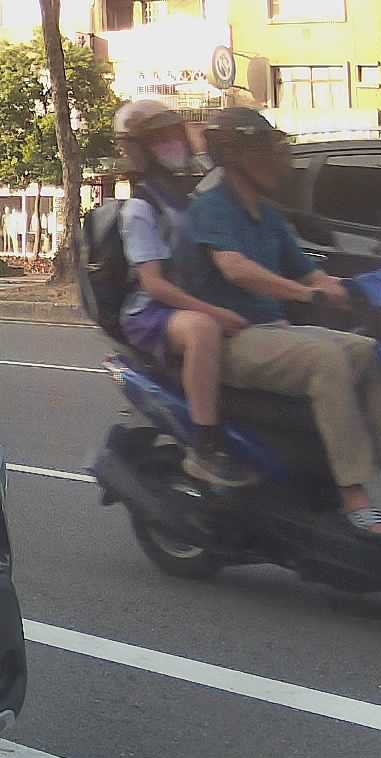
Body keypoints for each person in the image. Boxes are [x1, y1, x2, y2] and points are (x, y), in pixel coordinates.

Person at [182, 107, 381, 537]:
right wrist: (304, 294)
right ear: (235, 156)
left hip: (274, 335)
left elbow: (310, 273)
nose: (277, 160)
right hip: (233, 338)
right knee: (325, 359)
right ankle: (354, 498)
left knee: (369, 352)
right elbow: (236, 268)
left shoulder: (268, 216)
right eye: (264, 150)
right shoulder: (211, 208)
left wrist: (355, 291)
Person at [113, 99, 256, 488]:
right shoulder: (141, 208)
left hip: (192, 301)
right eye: (159, 139)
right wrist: (214, 312)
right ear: (139, 149)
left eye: (174, 135)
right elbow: (153, 284)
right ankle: (205, 447)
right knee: (203, 330)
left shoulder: (189, 195)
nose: (173, 144)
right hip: (152, 311)